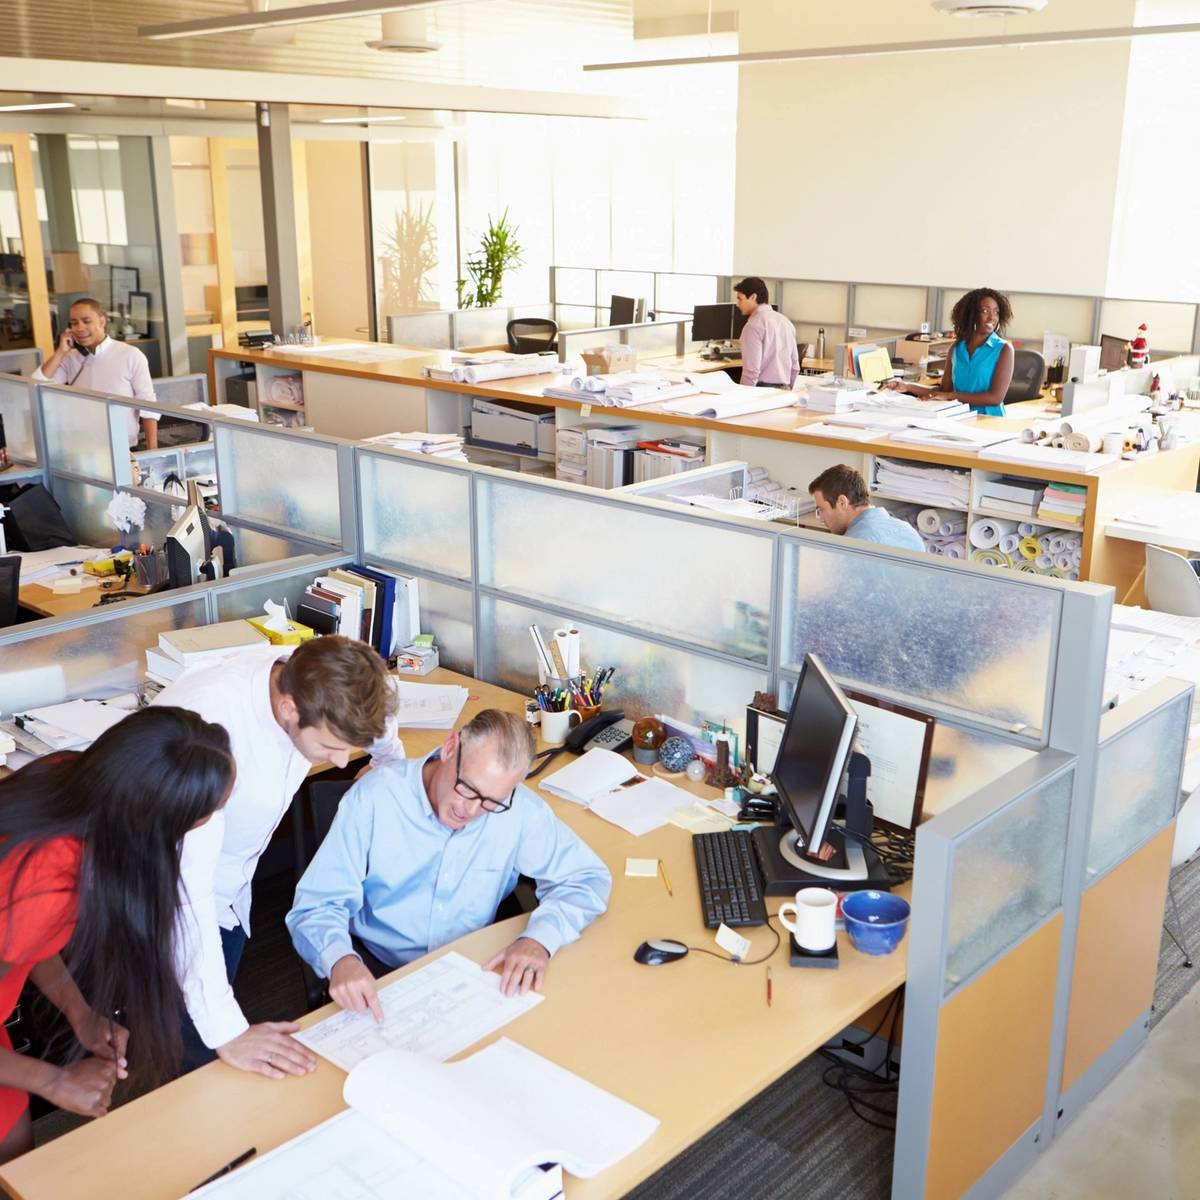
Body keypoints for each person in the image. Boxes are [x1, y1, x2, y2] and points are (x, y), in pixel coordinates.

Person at [155, 634, 404, 1078]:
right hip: (165, 891)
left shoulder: (325, 686)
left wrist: (387, 763)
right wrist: (228, 1032)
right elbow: (187, 899)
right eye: (329, 748)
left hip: (233, 882)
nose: (343, 762)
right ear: (289, 708)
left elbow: (376, 726)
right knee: (195, 1054)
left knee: (213, 1029)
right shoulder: (209, 734)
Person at [0, 707, 233, 1165]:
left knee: (16, 1158)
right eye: (203, 817)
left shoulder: (68, 777)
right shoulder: (48, 883)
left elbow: (26, 943)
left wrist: (80, 1013)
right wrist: (54, 1082)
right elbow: (28, 916)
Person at [286, 709, 611, 1014]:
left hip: (475, 969)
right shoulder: (374, 799)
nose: (469, 811)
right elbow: (316, 905)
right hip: (380, 971)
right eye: (467, 788)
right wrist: (340, 959)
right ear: (450, 747)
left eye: (490, 802)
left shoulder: (520, 811)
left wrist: (540, 938)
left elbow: (586, 878)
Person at [33, 298, 159, 449]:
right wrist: (60, 352)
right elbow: (36, 384)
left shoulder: (130, 355)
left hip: (122, 449)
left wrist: (153, 452)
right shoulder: (70, 358)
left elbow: (148, 405)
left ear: (102, 321)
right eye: (74, 323)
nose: (79, 328)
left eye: (86, 321)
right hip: (81, 448)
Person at [885, 287, 1015, 416]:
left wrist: (949, 396)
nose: (992, 317)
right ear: (971, 314)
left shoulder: (1004, 349)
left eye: (996, 312)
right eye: (985, 311)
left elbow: (995, 398)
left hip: (989, 420)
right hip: (958, 416)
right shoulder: (957, 348)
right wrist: (907, 386)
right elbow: (943, 391)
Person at [809, 463, 925, 551]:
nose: (821, 518)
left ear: (842, 502)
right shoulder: (909, 531)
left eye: (821, 509)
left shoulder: (852, 545)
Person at [734, 276, 799, 389]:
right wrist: (790, 391)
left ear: (753, 297)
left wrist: (743, 395)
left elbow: (752, 371)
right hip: (784, 390)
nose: (737, 304)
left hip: (761, 391)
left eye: (740, 299)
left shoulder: (753, 326)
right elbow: (795, 366)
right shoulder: (785, 321)